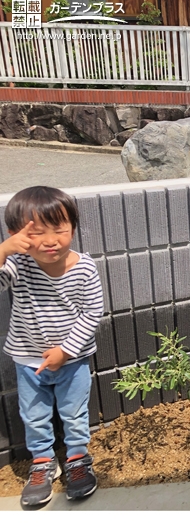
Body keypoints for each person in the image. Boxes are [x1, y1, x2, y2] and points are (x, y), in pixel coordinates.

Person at [0, 186, 104, 506]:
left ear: (73, 227)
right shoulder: (18, 266)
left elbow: (93, 312)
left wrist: (66, 351)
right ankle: (43, 461)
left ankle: (76, 458)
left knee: (73, 413)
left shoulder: (84, 268)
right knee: (33, 415)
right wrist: (3, 250)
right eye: (38, 232)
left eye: (60, 229)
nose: (50, 240)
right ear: (17, 234)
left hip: (72, 362)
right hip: (28, 360)